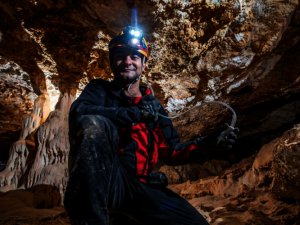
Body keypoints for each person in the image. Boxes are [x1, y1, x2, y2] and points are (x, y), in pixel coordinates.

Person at [64, 26, 238, 225]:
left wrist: (208, 144)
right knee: (93, 124)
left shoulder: (154, 107)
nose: (127, 61)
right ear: (112, 62)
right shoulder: (100, 90)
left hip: (143, 186)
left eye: (134, 57)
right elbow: (80, 112)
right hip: (111, 180)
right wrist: (128, 114)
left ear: (143, 64)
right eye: (120, 56)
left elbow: (172, 151)